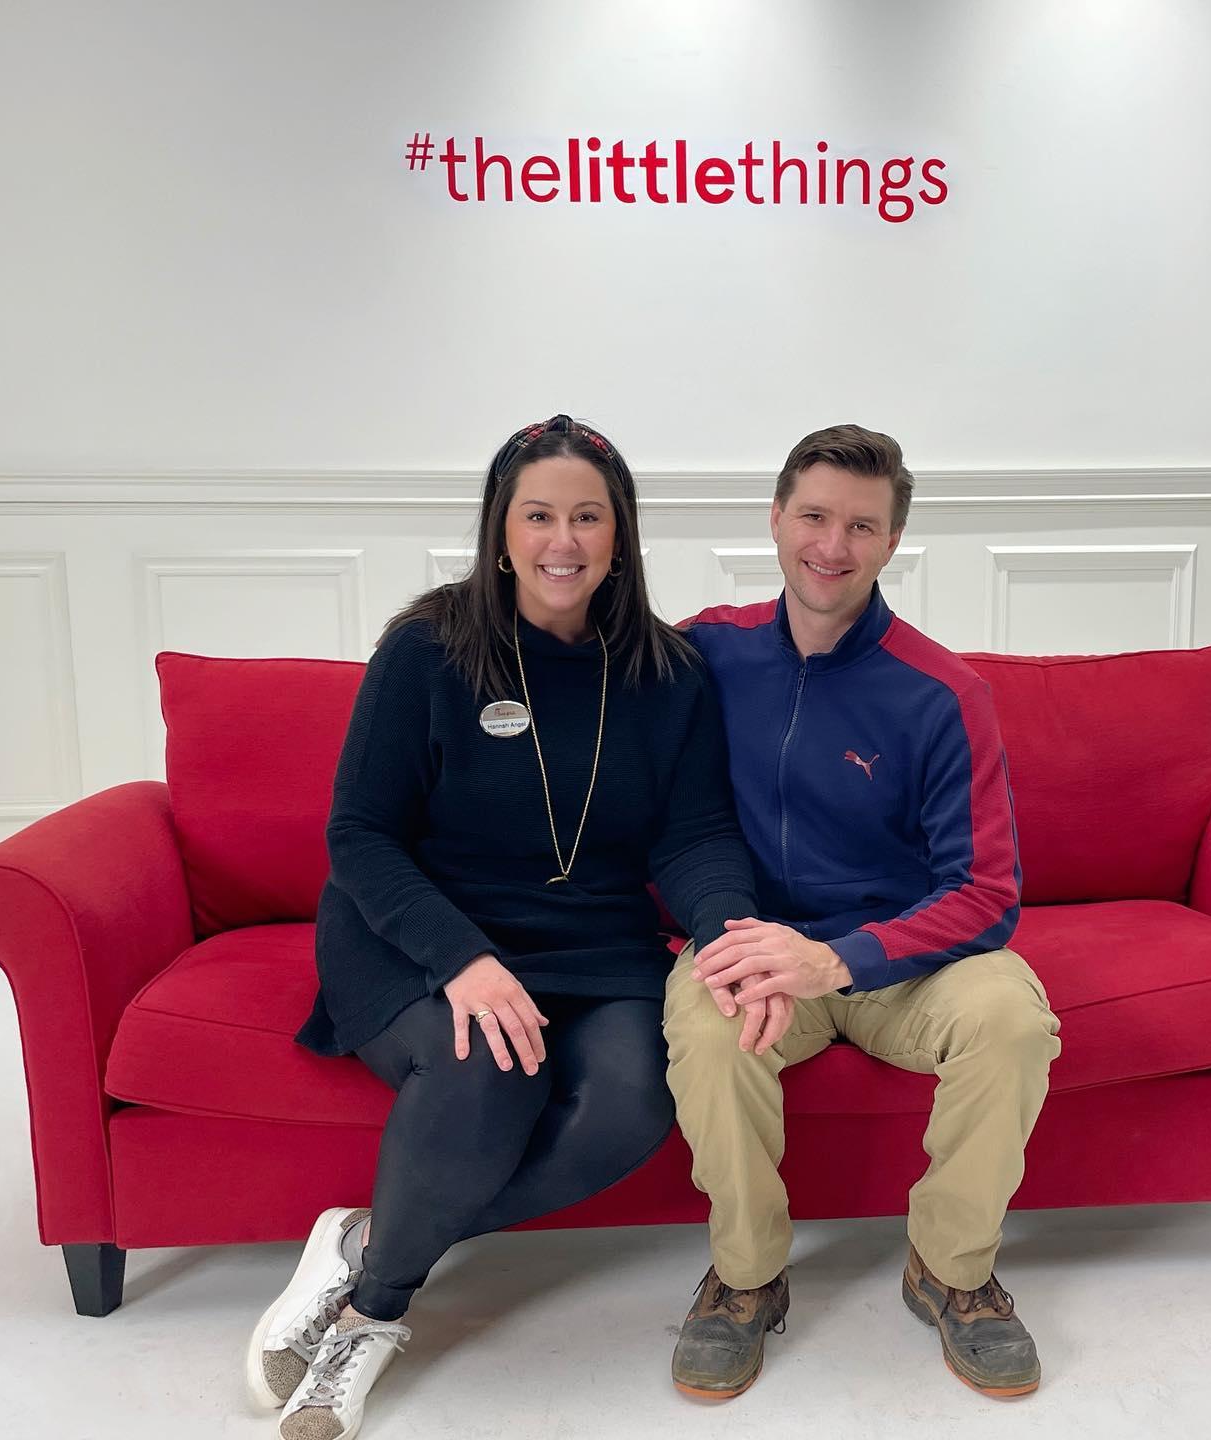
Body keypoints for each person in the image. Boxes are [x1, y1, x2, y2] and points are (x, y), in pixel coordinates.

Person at [246, 415, 759, 1440]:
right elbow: (359, 835)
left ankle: (371, 1244)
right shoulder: (428, 650)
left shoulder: (669, 675)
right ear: (500, 530)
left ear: (620, 536)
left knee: (634, 1104)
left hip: (594, 942)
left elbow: (694, 836)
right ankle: (374, 1315)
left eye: (586, 516)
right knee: (492, 1069)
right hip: (422, 931)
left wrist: (727, 933)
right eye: (538, 515)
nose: (561, 539)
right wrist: (465, 961)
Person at [664, 424, 1063, 1401]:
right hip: (754, 942)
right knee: (710, 1032)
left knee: (1013, 1019)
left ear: (891, 544)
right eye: (813, 516)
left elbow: (985, 892)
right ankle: (747, 1276)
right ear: (774, 519)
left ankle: (951, 1270)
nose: (831, 545)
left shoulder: (942, 693)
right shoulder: (704, 651)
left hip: (902, 957)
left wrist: (839, 960)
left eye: (860, 526)